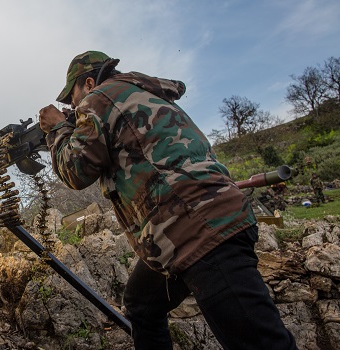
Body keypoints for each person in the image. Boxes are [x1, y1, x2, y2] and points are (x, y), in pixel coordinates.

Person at [39, 51, 297, 349]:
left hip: (200, 230)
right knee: (141, 306)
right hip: (181, 228)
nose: (71, 105)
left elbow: (76, 170)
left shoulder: (98, 98)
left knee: (262, 344)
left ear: (87, 82)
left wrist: (57, 128)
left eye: (71, 96)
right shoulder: (138, 94)